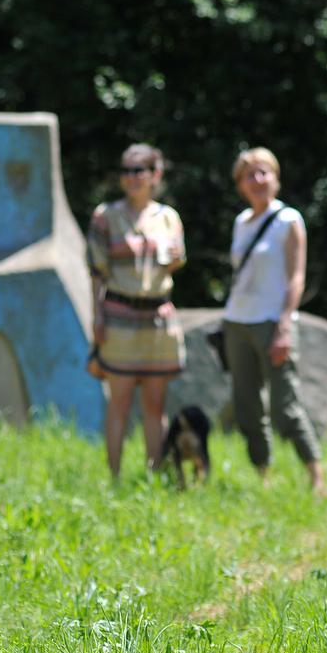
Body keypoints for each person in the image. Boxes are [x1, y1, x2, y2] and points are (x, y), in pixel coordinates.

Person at [222, 147, 324, 493]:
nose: (258, 180)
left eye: (264, 172)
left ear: (276, 178)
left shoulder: (288, 220)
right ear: (240, 184)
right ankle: (263, 476)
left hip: (272, 322)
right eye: (250, 174)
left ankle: (316, 476)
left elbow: (296, 276)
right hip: (237, 321)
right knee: (246, 405)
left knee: (284, 406)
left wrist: (284, 325)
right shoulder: (240, 222)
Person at [86, 143, 187, 479]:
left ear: (155, 175)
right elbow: (96, 271)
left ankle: (153, 476)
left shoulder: (169, 217)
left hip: (158, 319)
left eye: (139, 170)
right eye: (126, 171)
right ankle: (113, 478)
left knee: (155, 405)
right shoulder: (106, 215)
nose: (131, 178)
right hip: (119, 317)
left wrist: (173, 260)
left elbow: (174, 264)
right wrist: (96, 317)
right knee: (120, 403)